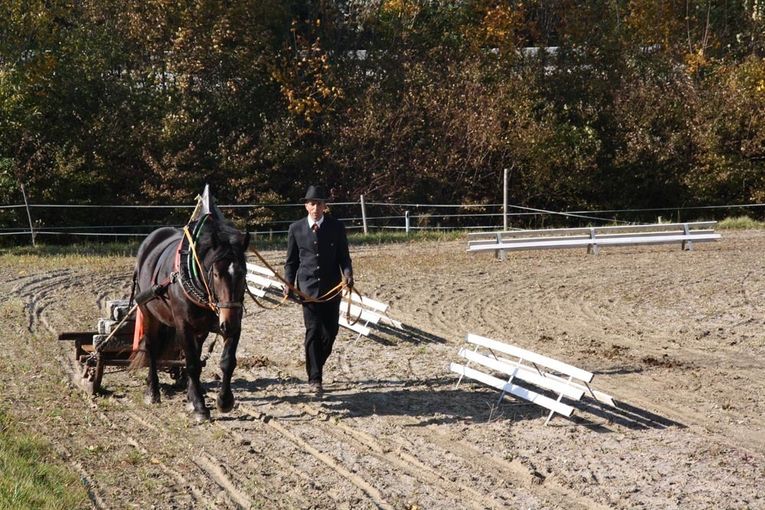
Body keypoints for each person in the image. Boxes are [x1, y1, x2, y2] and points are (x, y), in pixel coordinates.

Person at [283, 185, 353, 395]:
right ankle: (315, 377)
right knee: (313, 331)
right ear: (306, 206)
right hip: (307, 290)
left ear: (325, 206)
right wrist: (289, 283)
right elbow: (291, 262)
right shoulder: (295, 229)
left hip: (332, 289)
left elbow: (344, 257)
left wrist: (348, 275)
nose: (316, 208)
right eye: (312, 204)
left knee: (330, 333)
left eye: (319, 204)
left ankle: (315, 364)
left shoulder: (336, 227)